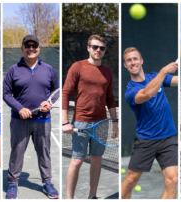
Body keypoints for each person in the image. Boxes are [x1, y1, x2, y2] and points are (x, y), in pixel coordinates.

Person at [3, 34, 59, 199]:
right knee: (17, 152)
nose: (31, 49)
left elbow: (56, 91)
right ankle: (13, 183)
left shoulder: (48, 69)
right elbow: (6, 93)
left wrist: (50, 102)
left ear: (39, 48)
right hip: (20, 120)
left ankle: (47, 183)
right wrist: (20, 108)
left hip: (43, 120)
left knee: (44, 153)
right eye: (27, 46)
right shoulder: (13, 70)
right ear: (22, 48)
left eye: (34, 46)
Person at [62, 34, 118, 199]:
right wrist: (65, 121)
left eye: (101, 48)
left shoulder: (107, 72)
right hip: (80, 123)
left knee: (97, 160)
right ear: (88, 48)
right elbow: (66, 93)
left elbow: (110, 99)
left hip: (102, 124)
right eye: (95, 47)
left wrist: (114, 123)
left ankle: (92, 196)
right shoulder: (77, 67)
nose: (98, 50)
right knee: (77, 161)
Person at [121, 47, 178, 199]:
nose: (133, 62)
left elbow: (178, 80)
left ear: (141, 61)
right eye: (129, 60)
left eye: (135, 59)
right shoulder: (130, 91)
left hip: (168, 138)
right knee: (130, 181)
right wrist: (164, 71)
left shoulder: (155, 77)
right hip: (146, 140)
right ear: (125, 65)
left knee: (173, 180)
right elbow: (147, 93)